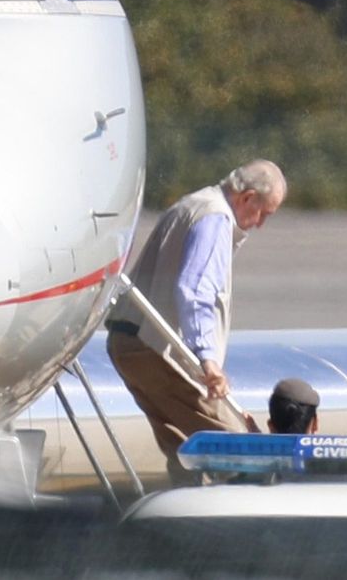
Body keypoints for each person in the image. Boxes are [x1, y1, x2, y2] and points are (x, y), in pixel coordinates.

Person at [105, 159, 286, 484]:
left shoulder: (193, 205)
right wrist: (208, 360)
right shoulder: (215, 218)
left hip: (128, 342)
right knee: (239, 448)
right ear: (246, 198)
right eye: (264, 213)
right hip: (156, 347)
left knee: (186, 451)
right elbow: (195, 290)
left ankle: (183, 520)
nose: (260, 224)